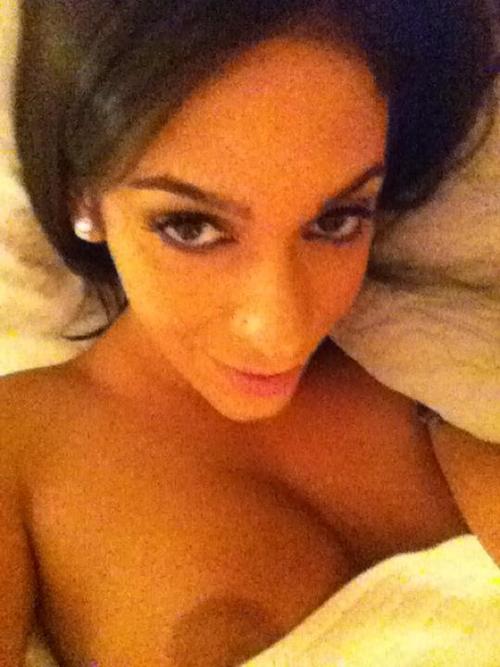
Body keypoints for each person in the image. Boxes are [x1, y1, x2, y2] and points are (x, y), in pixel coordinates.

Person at [1, 0, 496, 664]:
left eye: (337, 219)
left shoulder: (433, 364)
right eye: (191, 226)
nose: (279, 330)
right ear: (81, 196)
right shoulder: (19, 449)